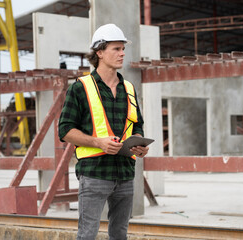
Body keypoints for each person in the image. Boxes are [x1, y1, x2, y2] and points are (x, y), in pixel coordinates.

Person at [58, 23, 149, 240]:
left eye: (123, 49)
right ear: (99, 52)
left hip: (125, 173)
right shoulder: (80, 88)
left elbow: (136, 126)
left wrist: (140, 147)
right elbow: (65, 130)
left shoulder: (128, 88)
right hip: (95, 173)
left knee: (120, 234)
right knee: (87, 235)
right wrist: (99, 142)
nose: (122, 53)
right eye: (116, 49)